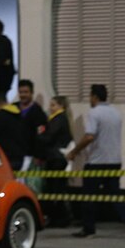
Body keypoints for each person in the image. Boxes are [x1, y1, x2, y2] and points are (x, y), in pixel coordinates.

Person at [66, 84, 125, 238]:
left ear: (94, 97)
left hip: (96, 161)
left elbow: (89, 136)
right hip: (115, 161)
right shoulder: (116, 113)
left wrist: (74, 151)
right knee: (115, 195)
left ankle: (88, 229)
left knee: (89, 196)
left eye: (90, 96)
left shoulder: (94, 113)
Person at [37, 95, 75, 227]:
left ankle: (61, 218)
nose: (50, 108)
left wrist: (38, 134)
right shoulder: (59, 119)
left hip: (56, 158)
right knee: (56, 188)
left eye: (53, 105)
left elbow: (49, 137)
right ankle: (59, 217)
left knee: (55, 189)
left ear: (61, 106)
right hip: (56, 157)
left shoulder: (58, 119)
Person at [15, 79, 46, 167]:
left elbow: (41, 135)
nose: (23, 95)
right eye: (21, 92)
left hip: (30, 155)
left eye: (26, 92)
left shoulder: (38, 112)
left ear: (32, 93)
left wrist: (38, 155)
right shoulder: (13, 108)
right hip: (14, 155)